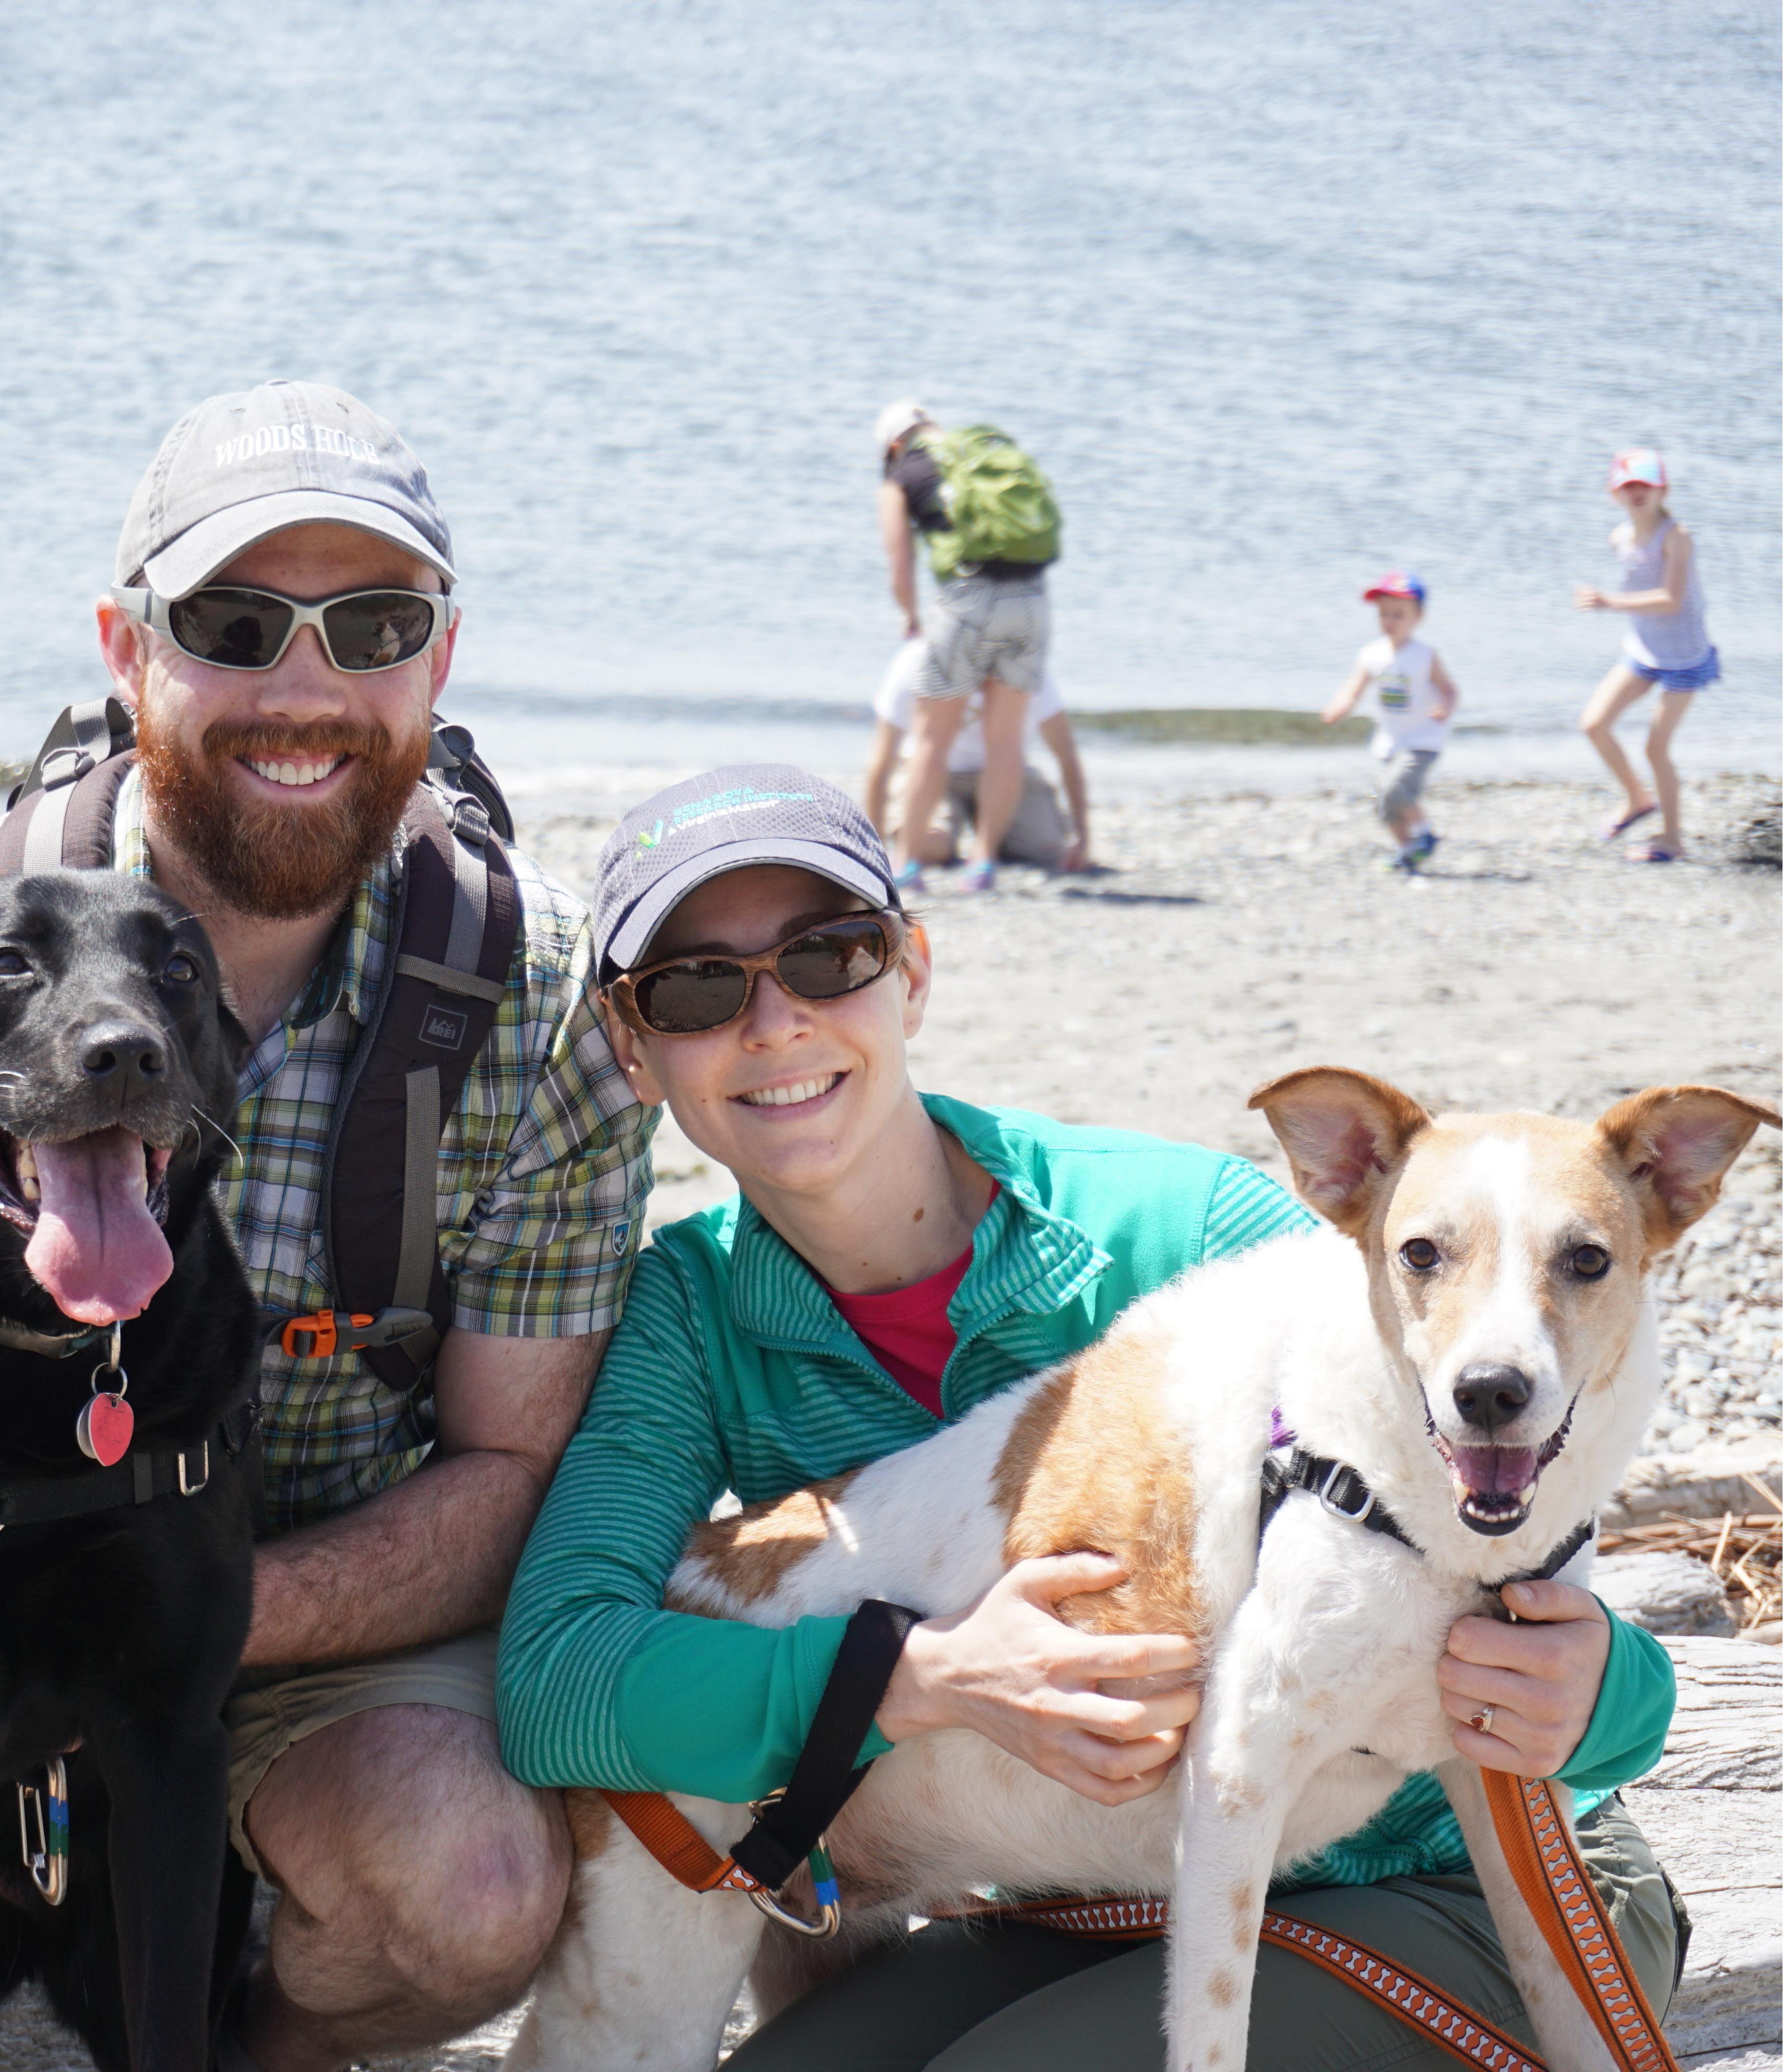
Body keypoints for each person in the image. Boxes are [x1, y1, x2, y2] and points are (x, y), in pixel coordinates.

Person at [0, 379, 655, 2072]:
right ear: (126, 646)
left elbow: (512, 1476)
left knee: (469, 1886)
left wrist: (151, 1610)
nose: (305, 690)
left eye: (371, 625)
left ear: (439, 662)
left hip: (266, 1635)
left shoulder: (533, 1006)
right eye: (233, 622)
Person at [495, 764, 1680, 2071]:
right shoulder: (691, 1307)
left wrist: (1610, 1687)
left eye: (830, 958)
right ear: (629, 1043)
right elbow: (556, 1682)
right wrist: (909, 1678)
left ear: (913, 972)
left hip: (1460, 1887)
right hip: (1107, 1910)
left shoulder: (1197, 1236)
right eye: (699, 990)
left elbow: (1529, 1567)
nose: (775, 1021)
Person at [875, 401, 1061, 896]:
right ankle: (983, 864)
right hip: (1032, 599)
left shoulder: (902, 477)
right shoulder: (984, 457)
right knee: (1006, 740)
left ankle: (908, 864)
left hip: (968, 603)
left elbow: (899, 566)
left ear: (895, 447)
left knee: (933, 737)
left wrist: (911, 616)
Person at [1574, 447, 1719, 864]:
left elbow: (1672, 600)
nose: (1637, 493)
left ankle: (1673, 839)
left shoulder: (1676, 537)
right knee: (1593, 724)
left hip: (1685, 657)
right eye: (1629, 486)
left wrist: (1609, 602)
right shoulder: (1620, 536)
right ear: (1614, 493)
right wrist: (1611, 604)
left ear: (1663, 491)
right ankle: (1638, 799)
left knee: (1656, 748)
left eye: (1646, 486)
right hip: (1645, 651)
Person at [861, 639, 1091, 872]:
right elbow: (882, 759)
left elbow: (1066, 752)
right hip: (936, 776)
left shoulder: (1024, 664)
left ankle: (989, 846)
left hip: (1007, 777)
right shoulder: (920, 660)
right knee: (929, 849)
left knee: (1046, 851)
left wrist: (1083, 838)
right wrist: (873, 848)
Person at [1320, 570, 1459, 872]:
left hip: (1423, 742)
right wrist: (1339, 706)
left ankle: (1426, 835)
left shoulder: (1424, 656)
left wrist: (1444, 708)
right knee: (1384, 806)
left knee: (1394, 791)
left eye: (1399, 615)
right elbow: (1352, 688)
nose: (1390, 621)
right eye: (1384, 614)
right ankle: (1408, 851)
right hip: (1389, 743)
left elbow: (1449, 690)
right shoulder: (1372, 654)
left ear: (1418, 617)